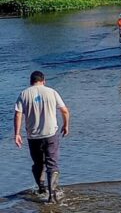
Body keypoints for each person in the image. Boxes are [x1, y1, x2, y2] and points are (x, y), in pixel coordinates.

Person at [14, 71, 70, 203]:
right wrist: (66, 125)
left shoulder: (24, 94)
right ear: (43, 80)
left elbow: (18, 114)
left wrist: (17, 134)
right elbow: (65, 110)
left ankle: (41, 188)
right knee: (52, 164)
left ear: (31, 81)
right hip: (50, 133)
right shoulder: (52, 92)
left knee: (38, 164)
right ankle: (51, 195)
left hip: (33, 136)